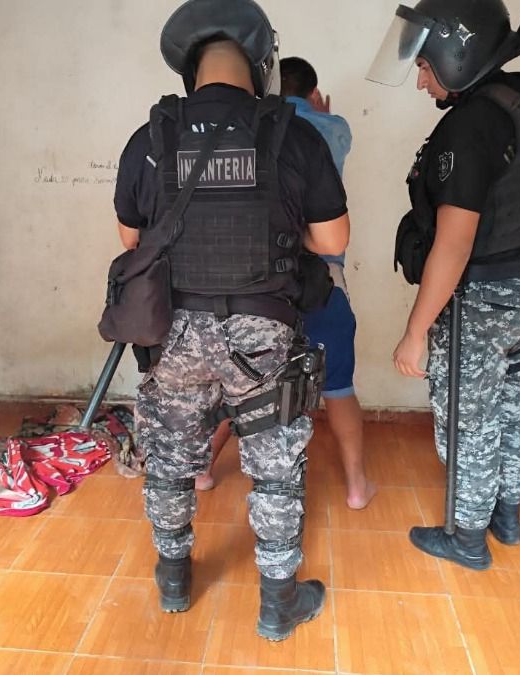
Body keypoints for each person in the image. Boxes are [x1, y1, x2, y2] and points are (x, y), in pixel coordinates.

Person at [113, 0, 350, 641]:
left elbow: (131, 241)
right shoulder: (293, 135)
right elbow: (333, 241)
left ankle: (173, 581)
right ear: (260, 62)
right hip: (262, 331)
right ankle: (277, 604)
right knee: (275, 467)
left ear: (188, 68)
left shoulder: (150, 139)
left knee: (169, 457)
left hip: (171, 330)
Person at [366, 0, 520, 570]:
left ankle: (467, 538)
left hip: (481, 301)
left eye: (425, 66)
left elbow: (453, 245)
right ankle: (506, 515)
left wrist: (415, 332)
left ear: (459, 54)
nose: (421, 81)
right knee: (509, 404)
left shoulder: (470, 124)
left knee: (468, 421)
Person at [199, 56, 376, 511]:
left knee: (241, 384)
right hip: (323, 282)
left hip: (261, 287)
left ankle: (202, 471)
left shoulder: (253, 131)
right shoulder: (333, 128)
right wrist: (320, 111)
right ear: (314, 93)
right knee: (338, 385)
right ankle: (357, 485)